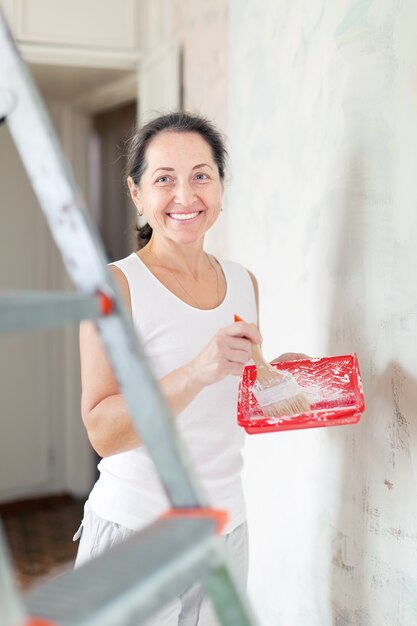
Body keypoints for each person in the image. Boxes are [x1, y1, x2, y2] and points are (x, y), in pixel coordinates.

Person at [74, 111, 299, 625]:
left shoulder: (245, 283)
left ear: (220, 186)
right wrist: (197, 371)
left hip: (226, 530)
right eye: (164, 179)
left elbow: (233, 403)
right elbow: (103, 431)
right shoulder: (114, 288)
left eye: (201, 175)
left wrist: (279, 373)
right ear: (137, 194)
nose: (186, 195)